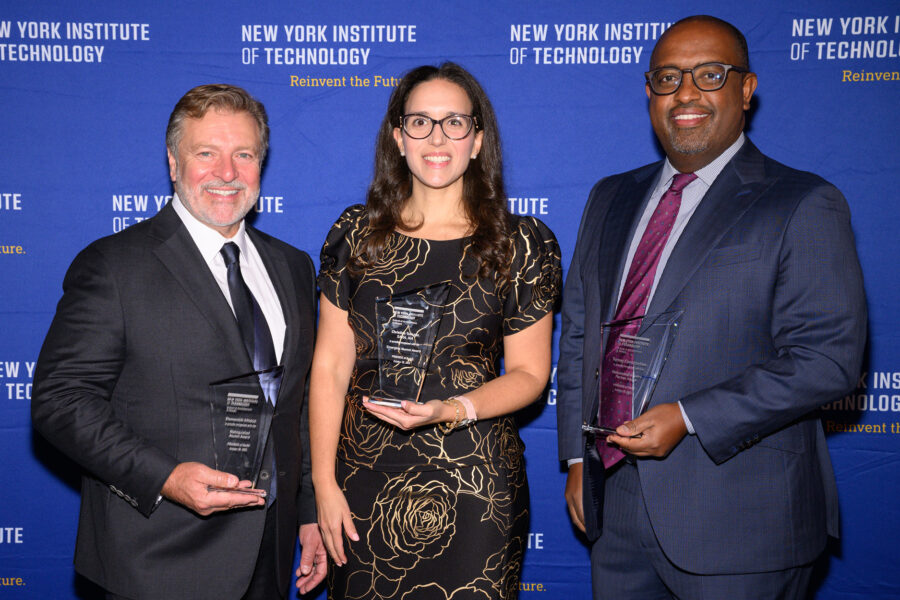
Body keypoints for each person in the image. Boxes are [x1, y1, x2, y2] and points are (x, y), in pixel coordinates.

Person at [557, 15, 866, 599]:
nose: (687, 93)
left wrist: (689, 416)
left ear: (746, 90)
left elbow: (828, 360)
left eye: (709, 74)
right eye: (669, 77)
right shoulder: (609, 196)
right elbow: (580, 336)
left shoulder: (803, 201)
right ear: (649, 93)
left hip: (743, 519)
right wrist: (578, 459)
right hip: (615, 508)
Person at [32, 84, 326, 600]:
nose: (227, 173)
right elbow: (61, 401)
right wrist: (165, 477)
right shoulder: (114, 265)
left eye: (244, 155)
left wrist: (307, 513)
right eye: (205, 154)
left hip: (271, 556)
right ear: (173, 162)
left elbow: (295, 405)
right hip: (158, 559)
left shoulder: (293, 266)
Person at [309, 62, 561, 599]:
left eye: (454, 123)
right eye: (420, 122)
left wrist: (452, 408)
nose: (437, 137)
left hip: (477, 483)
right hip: (364, 476)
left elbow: (530, 373)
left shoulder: (521, 243)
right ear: (398, 138)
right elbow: (330, 368)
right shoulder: (356, 235)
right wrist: (323, 484)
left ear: (478, 140)